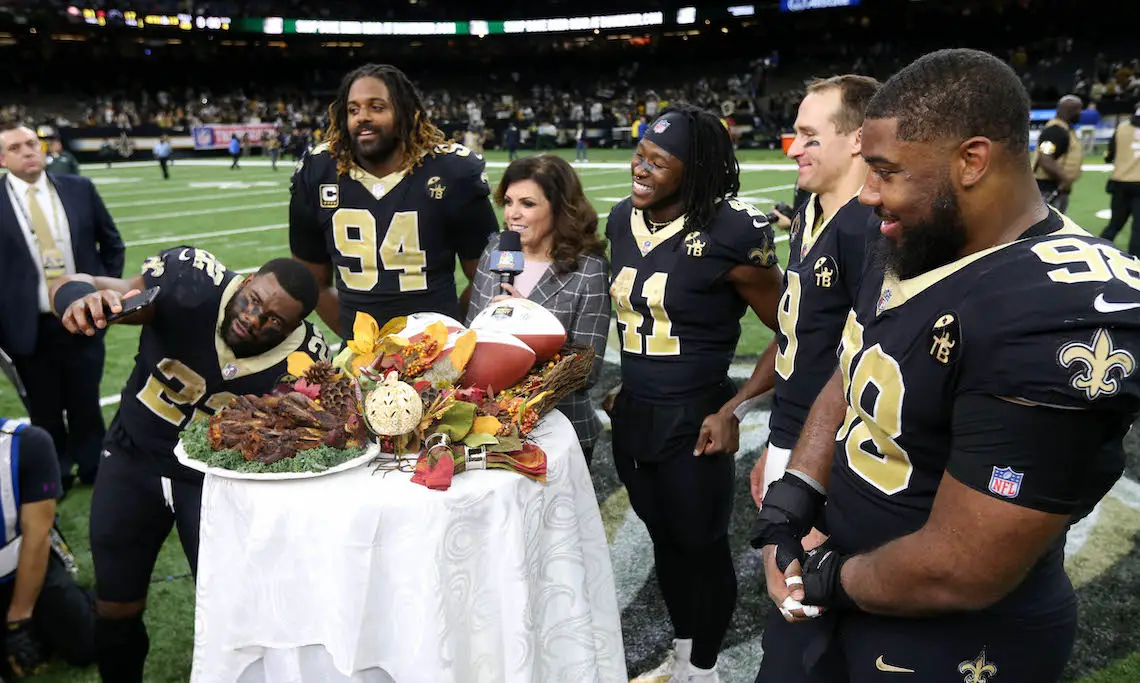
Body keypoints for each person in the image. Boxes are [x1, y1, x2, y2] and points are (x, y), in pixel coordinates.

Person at [753, 48, 1140, 683]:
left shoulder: (1062, 305)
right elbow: (850, 369)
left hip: (953, 639)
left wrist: (828, 576)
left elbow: (962, 565)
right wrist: (795, 499)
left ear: (972, 161)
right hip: (842, 581)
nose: (869, 194)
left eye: (886, 171)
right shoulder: (917, 231)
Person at [49, 248, 331, 683]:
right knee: (116, 603)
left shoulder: (305, 361)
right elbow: (96, 287)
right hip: (134, 457)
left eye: (273, 321)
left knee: (231, 612)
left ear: (294, 328)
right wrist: (80, 299)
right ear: (247, 280)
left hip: (213, 483)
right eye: (253, 300)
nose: (253, 319)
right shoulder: (192, 283)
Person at [608, 104, 783, 683]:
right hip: (635, 413)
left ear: (697, 170)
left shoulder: (733, 232)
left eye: (659, 162)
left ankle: (701, 670)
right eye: (641, 154)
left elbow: (796, 333)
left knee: (701, 547)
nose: (641, 167)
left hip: (697, 416)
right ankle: (685, 653)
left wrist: (737, 407)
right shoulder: (619, 220)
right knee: (665, 541)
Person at [697, 74, 881, 510]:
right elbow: (795, 336)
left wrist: (804, 467)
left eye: (809, 137)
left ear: (858, 139)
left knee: (800, 576)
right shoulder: (808, 214)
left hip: (837, 454)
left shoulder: (874, 230)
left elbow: (871, 370)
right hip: (792, 435)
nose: (794, 149)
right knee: (781, 571)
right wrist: (755, 423)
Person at [289, 63, 499, 339]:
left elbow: (487, 276)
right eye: (353, 110)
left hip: (439, 354)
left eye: (377, 107)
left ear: (406, 114)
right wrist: (357, 340)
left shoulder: (451, 170)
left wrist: (452, 330)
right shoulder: (318, 171)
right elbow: (310, 279)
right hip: (361, 360)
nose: (362, 117)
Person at [0, 124, 125, 490]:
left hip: (82, 317)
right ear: (3, 158)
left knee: (86, 398)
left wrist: (100, 290)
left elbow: (112, 244)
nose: (28, 151)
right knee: (43, 407)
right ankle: (55, 472)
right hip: (26, 324)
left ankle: (93, 467)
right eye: (17, 147)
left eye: (31, 144)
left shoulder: (79, 188)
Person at [464, 155, 610, 463]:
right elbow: (469, 344)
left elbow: (588, 372)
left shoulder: (588, 269)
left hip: (561, 428)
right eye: (508, 201)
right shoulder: (496, 251)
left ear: (559, 208)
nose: (512, 214)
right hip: (489, 426)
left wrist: (527, 317)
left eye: (527, 204)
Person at [0, 420, 94, 679]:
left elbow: (37, 537)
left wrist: (19, 618)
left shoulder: (26, 444)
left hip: (21, 567)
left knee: (84, 643)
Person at [1099, 106, 1140, 256]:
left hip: (1120, 183)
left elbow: (1109, 156)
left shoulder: (1122, 128)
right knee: (1138, 229)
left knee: (1114, 224)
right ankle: (1136, 263)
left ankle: (1099, 251)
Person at [1033, 94, 1084, 213]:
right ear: (1072, 112)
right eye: (1079, 111)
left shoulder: (1064, 129)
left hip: (1055, 187)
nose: (1080, 114)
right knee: (1049, 227)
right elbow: (1045, 158)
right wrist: (1064, 179)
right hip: (1049, 188)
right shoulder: (1055, 131)